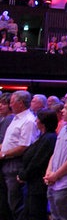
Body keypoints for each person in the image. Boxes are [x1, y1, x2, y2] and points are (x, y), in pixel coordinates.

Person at [0, 91, 38, 220]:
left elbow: (25, 146)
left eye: (11, 102)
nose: (10, 105)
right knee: (7, 202)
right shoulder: (16, 118)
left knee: (16, 203)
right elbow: (9, 142)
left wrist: (4, 154)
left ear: (20, 103)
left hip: (16, 164)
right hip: (7, 162)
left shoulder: (28, 121)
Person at [16, 109, 58, 220]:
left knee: (35, 214)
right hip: (33, 183)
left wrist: (23, 175)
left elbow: (37, 161)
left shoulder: (49, 138)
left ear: (43, 122)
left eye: (37, 119)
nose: (35, 121)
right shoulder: (43, 137)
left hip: (39, 184)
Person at [0, 92, 13, 220]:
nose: (0, 106)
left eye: (3, 104)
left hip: (6, 162)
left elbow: (3, 143)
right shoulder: (5, 119)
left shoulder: (9, 119)